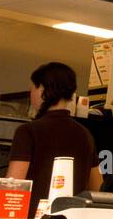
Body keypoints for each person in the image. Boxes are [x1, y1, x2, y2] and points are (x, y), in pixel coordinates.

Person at [7, 62, 101, 205]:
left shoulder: (28, 131)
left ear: (42, 90)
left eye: (32, 88)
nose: (30, 93)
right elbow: (97, 189)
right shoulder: (85, 134)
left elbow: (13, 187)